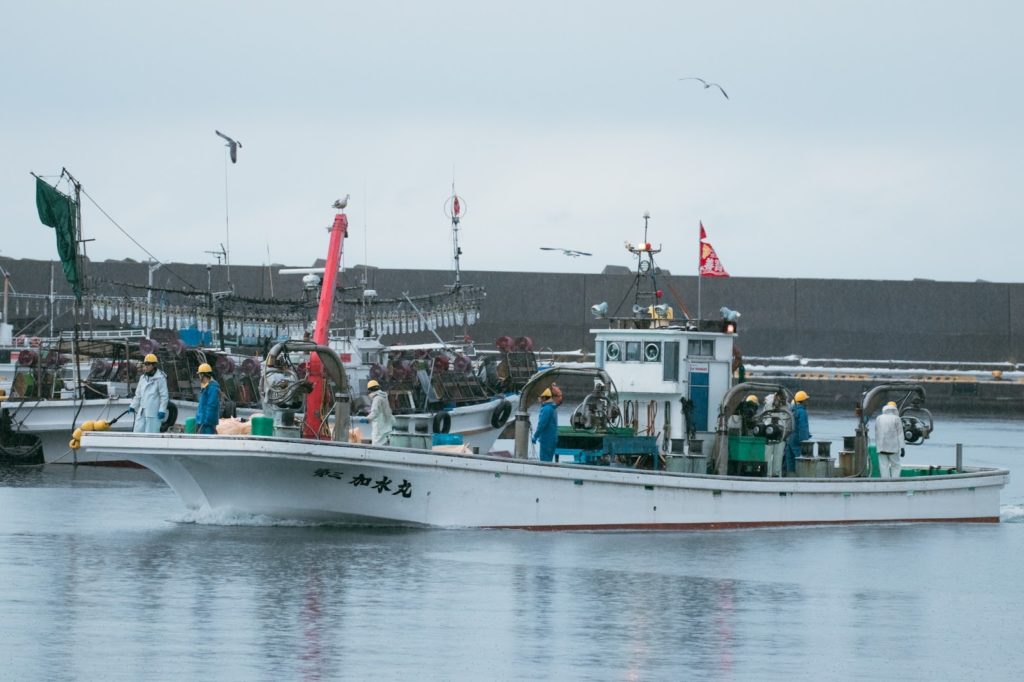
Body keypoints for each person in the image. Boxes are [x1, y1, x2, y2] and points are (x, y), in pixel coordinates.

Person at [129, 353, 169, 433]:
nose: (145, 366)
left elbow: (164, 396)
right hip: (142, 412)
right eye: (145, 364)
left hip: (153, 413)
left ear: (153, 365)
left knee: (151, 436)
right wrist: (133, 406)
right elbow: (138, 395)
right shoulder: (142, 378)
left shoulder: (160, 378)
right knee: (137, 433)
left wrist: (162, 410)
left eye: (148, 364)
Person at [874, 401, 904, 479]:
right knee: (896, 465)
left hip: (881, 448)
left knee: (883, 466)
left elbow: (877, 432)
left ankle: (885, 482)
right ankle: (895, 481)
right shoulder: (897, 419)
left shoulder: (879, 418)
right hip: (893, 448)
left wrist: (878, 446)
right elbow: (900, 434)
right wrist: (902, 447)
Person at [784, 390, 811, 475]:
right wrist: (804, 442)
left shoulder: (790, 410)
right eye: (806, 400)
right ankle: (800, 477)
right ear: (802, 401)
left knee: (790, 461)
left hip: (789, 439)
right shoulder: (802, 412)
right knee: (800, 460)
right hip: (797, 440)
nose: (807, 402)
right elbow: (803, 427)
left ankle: (789, 478)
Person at [532, 387, 558, 462]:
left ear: (544, 398)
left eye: (541, 398)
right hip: (552, 439)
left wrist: (535, 436)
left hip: (546, 439)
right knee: (549, 461)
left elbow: (541, 425)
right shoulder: (553, 408)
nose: (540, 400)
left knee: (544, 462)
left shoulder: (546, 409)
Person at [366, 379, 396, 445]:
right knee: (386, 442)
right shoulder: (384, 397)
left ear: (370, 390)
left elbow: (374, 413)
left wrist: (366, 419)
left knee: (377, 442)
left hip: (379, 424)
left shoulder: (377, 398)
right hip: (387, 423)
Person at [194, 362, 221, 435]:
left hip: (207, 423)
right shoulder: (206, 386)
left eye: (199, 374)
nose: (199, 377)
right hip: (203, 420)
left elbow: (212, 405)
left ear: (203, 375)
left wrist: (207, 420)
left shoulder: (212, 387)